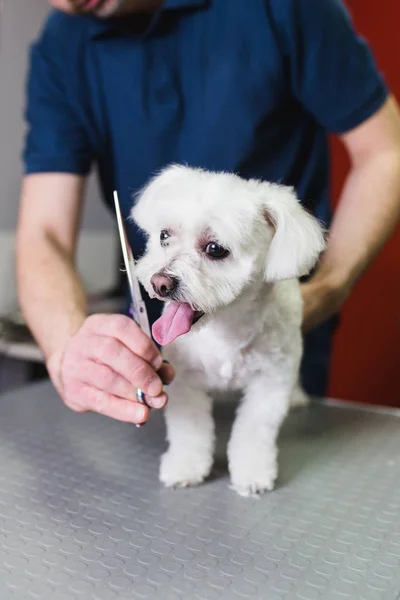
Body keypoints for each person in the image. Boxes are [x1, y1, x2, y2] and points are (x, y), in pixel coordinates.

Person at [16, 0, 400, 426]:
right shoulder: (63, 41)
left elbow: (386, 152)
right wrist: (66, 347)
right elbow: (44, 232)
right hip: (164, 336)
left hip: (277, 322)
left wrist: (328, 288)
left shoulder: (285, 8)